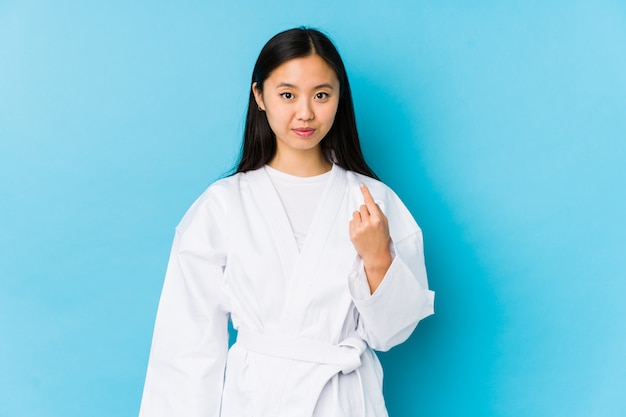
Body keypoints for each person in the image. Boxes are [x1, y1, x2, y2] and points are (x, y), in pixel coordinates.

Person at [138, 27, 435, 417]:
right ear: (260, 96)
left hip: (343, 400)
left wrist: (378, 258)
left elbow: (391, 333)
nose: (306, 112)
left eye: (321, 95)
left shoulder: (374, 201)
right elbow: (186, 346)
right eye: (288, 94)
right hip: (257, 401)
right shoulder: (224, 205)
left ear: (339, 98)